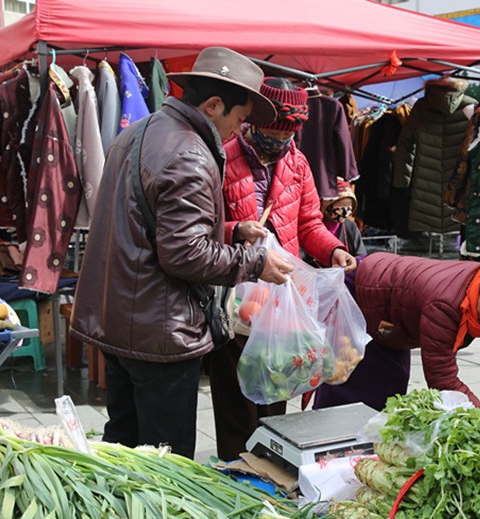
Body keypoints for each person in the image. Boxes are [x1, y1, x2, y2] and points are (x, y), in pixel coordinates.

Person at [70, 47, 295, 458]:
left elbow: (148, 225)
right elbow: (185, 255)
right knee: (165, 459)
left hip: (118, 319)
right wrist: (255, 262)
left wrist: (230, 230)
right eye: (239, 118)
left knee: (123, 445)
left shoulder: (141, 130)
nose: (238, 130)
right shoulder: (190, 153)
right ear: (213, 105)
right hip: (160, 334)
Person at [206, 76, 357, 461]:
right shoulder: (220, 156)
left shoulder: (297, 163)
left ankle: (273, 465)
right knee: (236, 396)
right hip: (234, 293)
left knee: (277, 382)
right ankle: (236, 469)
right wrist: (235, 229)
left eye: (288, 135)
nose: (279, 141)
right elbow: (202, 226)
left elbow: (309, 224)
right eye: (273, 133)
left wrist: (334, 250)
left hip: (283, 293)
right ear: (254, 121)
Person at [317, 253, 480, 435]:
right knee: (346, 383)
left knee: (389, 388)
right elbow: (442, 380)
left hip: (393, 321)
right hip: (362, 293)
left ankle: (361, 450)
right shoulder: (446, 302)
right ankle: (324, 449)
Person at [305, 178, 366, 265]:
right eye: (340, 206)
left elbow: (361, 255)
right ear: (326, 206)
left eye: (348, 206)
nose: (345, 211)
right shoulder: (312, 227)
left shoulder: (351, 227)